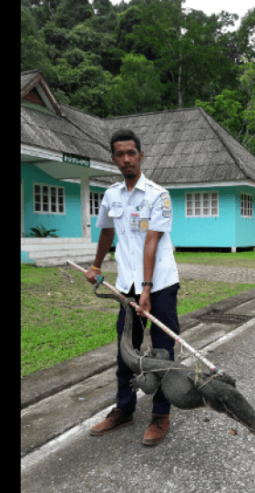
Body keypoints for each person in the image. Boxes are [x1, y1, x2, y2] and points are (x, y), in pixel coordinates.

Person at [84, 128, 180, 447]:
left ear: (141, 155)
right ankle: (124, 409)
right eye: (120, 154)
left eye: (131, 153)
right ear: (113, 159)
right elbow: (106, 234)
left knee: (162, 349)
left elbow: (151, 242)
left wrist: (148, 291)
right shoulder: (111, 195)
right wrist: (97, 266)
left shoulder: (158, 195)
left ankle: (160, 415)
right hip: (128, 286)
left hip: (161, 285)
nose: (126, 159)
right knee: (126, 349)